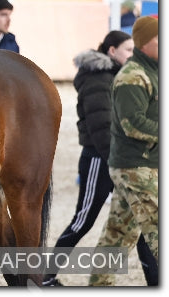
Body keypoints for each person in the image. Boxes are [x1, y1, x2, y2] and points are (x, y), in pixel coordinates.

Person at [43, 31, 157, 286]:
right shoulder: (98, 79)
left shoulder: (124, 76)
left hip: (124, 162)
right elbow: (101, 128)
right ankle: (45, 275)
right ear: (112, 51)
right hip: (100, 160)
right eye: (128, 50)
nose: (133, 54)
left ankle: (156, 283)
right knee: (83, 221)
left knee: (141, 224)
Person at [89, 16, 158, 286]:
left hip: (143, 165)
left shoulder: (154, 71)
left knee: (117, 237)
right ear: (145, 44)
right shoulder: (132, 76)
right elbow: (133, 123)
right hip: (134, 169)